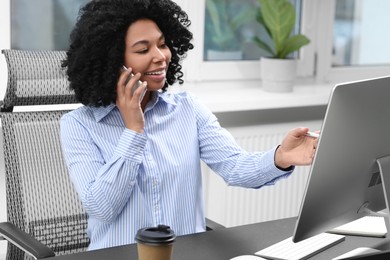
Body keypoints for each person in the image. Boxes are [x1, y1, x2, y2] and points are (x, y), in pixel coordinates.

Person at [60, 0, 318, 251]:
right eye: (142, 50)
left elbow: (236, 167)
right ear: (111, 60)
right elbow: (102, 207)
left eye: (162, 45)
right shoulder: (79, 125)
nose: (160, 57)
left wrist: (281, 157)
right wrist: (133, 130)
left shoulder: (187, 109)